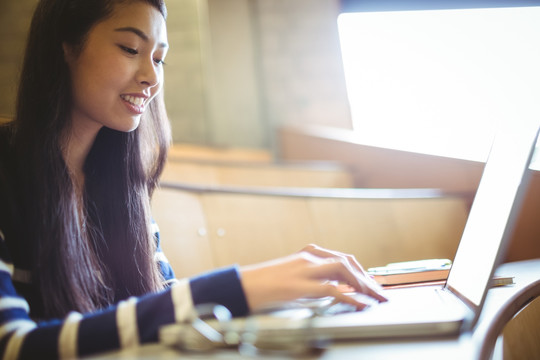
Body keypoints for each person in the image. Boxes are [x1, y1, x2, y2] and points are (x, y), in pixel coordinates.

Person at [0, 0, 386, 358]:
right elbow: (13, 344)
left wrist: (288, 301)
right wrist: (238, 287)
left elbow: (163, 301)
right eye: (131, 50)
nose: (151, 76)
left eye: (159, 59)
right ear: (66, 47)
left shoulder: (118, 182)